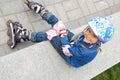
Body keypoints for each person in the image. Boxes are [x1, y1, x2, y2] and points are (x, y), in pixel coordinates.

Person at [6, 0, 114, 68]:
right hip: (75, 43)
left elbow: (66, 50)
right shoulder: (87, 38)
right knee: (58, 25)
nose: (88, 35)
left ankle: (22, 36)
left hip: (71, 55)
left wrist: (62, 36)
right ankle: (43, 11)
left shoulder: (85, 51)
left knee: (52, 35)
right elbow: (75, 39)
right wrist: (62, 30)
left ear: (100, 40)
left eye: (94, 35)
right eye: (89, 30)